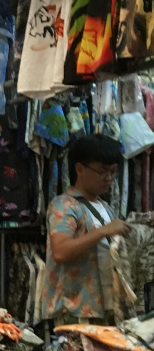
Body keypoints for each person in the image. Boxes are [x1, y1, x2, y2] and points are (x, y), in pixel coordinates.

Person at [40, 135, 130, 325]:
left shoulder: (105, 208)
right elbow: (60, 251)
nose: (109, 178)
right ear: (80, 169)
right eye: (102, 171)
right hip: (75, 310)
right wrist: (102, 231)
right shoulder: (64, 206)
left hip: (105, 308)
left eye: (113, 171)